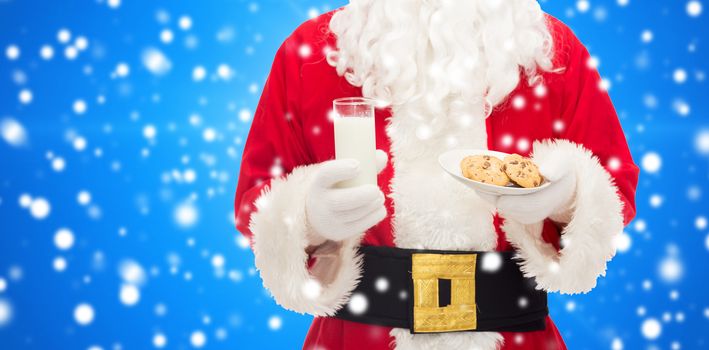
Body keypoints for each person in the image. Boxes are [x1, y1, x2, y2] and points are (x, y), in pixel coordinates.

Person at [234, 1, 639, 349]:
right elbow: (256, 195)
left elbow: (613, 184)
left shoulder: (552, 51)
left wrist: (567, 197)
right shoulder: (313, 52)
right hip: (357, 333)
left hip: (514, 330)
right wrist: (306, 216)